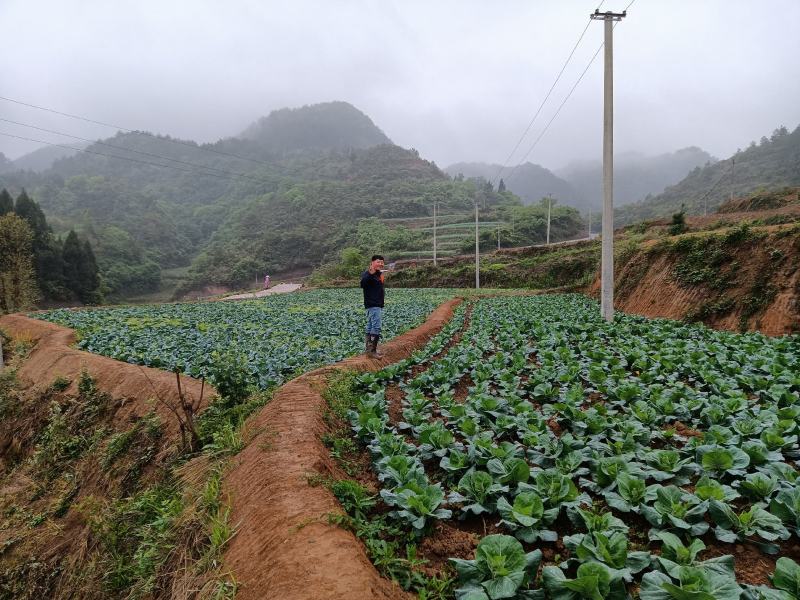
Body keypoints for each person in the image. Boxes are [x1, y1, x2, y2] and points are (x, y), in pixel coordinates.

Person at [360, 255, 385, 358]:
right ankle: (372, 350)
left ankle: (369, 350)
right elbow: (362, 284)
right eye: (378, 262)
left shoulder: (378, 275)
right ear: (372, 262)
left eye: (382, 262)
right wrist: (371, 273)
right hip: (373, 305)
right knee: (376, 326)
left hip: (376, 304)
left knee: (370, 326)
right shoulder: (368, 274)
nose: (381, 264)